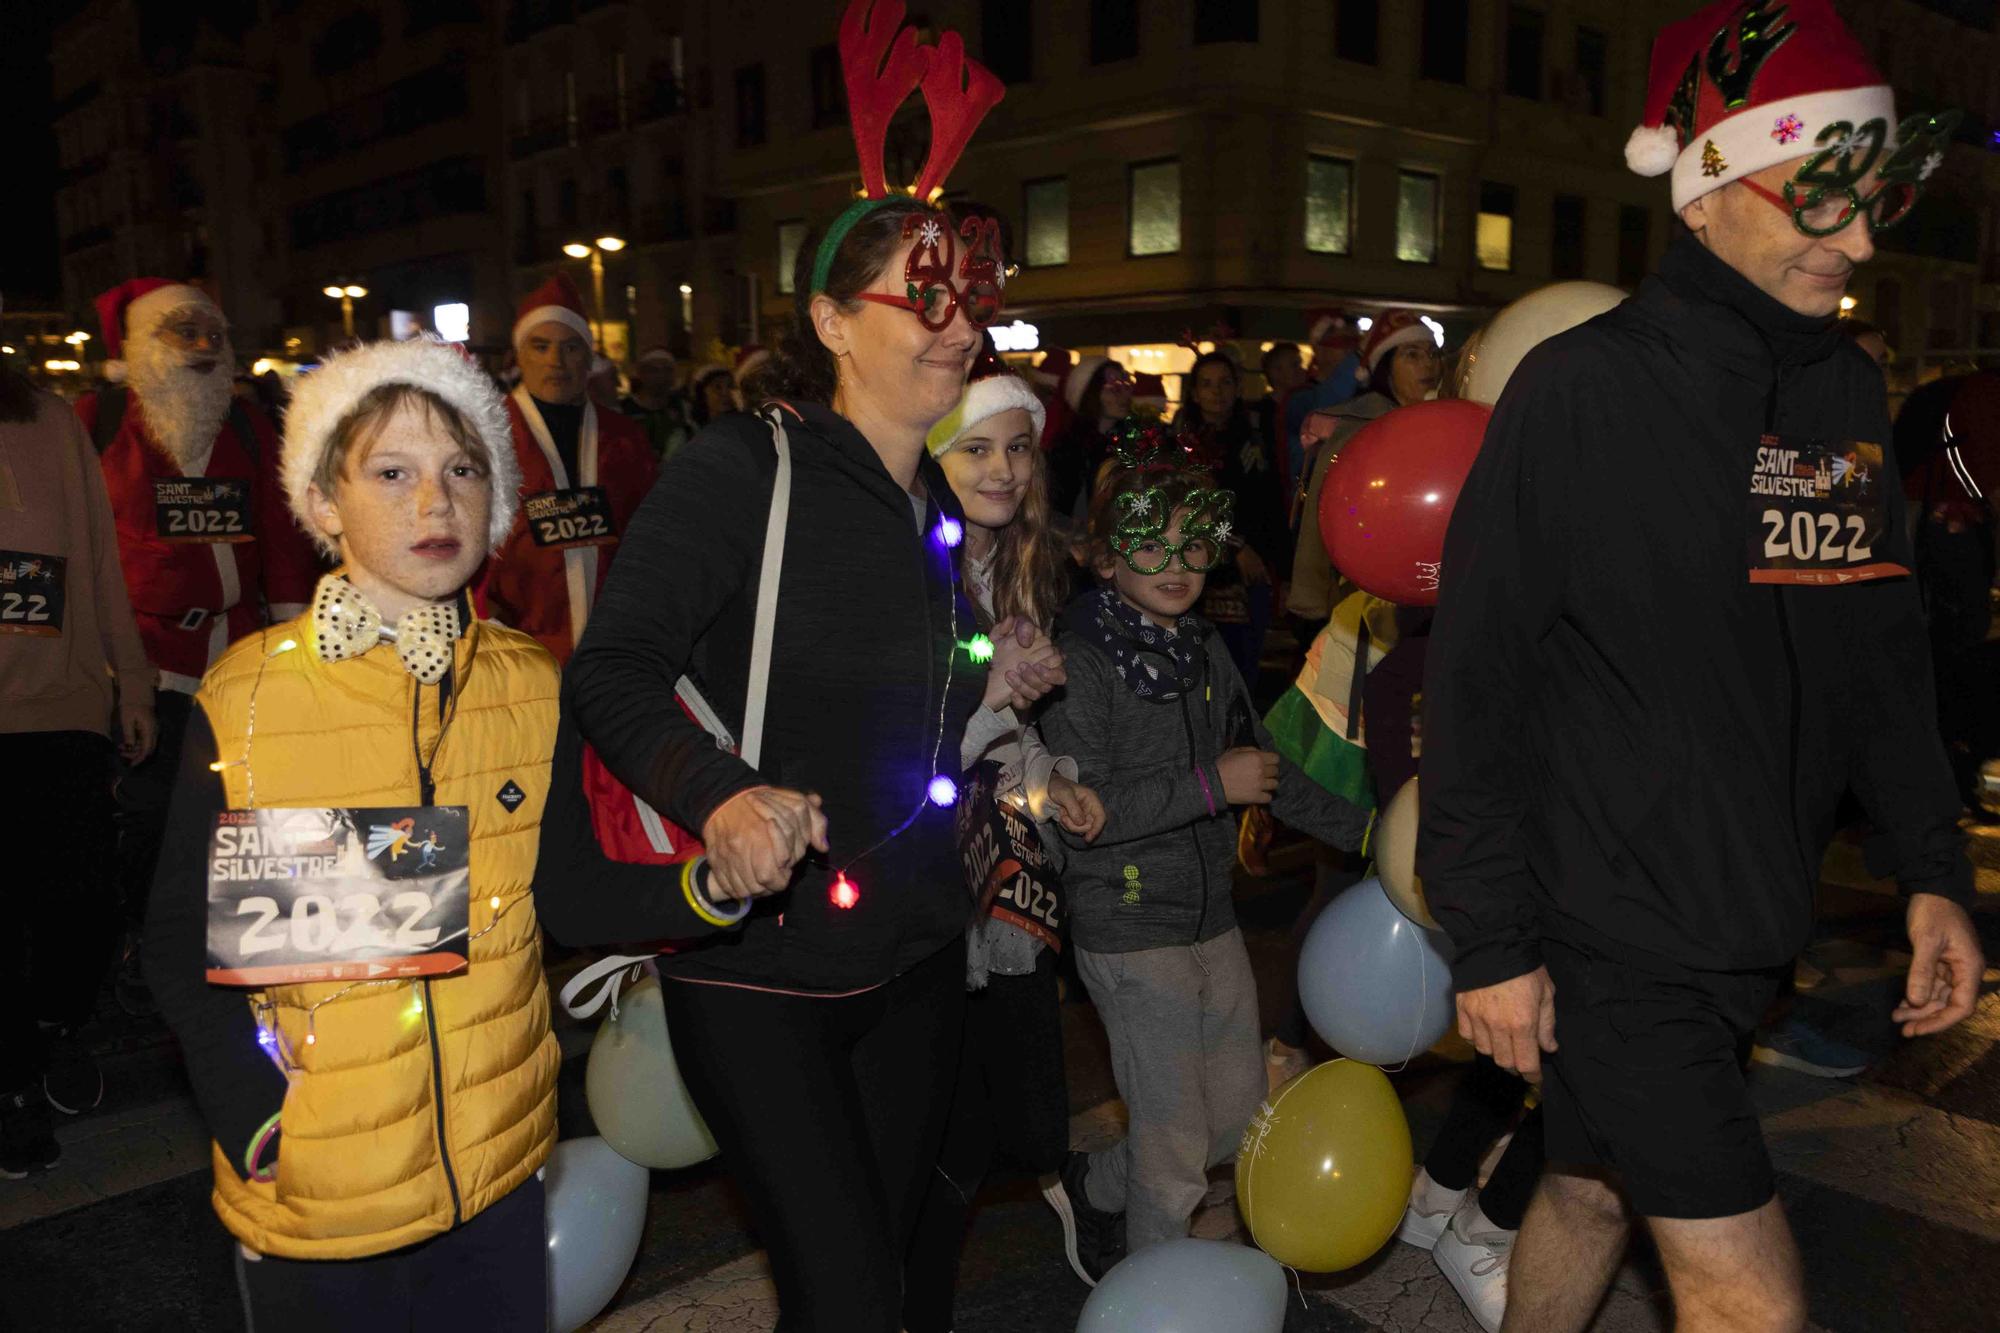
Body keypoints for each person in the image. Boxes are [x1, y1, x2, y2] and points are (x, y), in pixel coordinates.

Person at [1420, 5, 1984, 1330]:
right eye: (1820, 204)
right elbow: (1479, 675)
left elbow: (1875, 657)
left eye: (1872, 203)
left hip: (1755, 913)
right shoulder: (1580, 391)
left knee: (1591, 1189)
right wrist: (1493, 938)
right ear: (1709, 190)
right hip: (1617, 923)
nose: (1856, 244)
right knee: (1748, 1296)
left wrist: (1932, 868)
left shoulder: (1844, 393)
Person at [554, 12, 1036, 1319]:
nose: (955, 325)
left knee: (906, 1262)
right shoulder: (740, 468)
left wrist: (991, 715)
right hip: (760, 963)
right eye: (917, 297)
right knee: (843, 1293)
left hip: (921, 946)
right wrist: (717, 794)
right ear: (829, 315)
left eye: (969, 298)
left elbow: (898, 712)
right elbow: (612, 669)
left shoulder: (936, 496)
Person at [143, 337, 568, 1329]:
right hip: (319, 1193)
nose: (435, 502)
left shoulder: (532, 682)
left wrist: (706, 878)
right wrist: (254, 1117)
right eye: (392, 472)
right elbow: (177, 940)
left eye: (463, 470)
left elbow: (573, 886)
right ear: (325, 505)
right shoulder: (248, 692)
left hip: (494, 1175)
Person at [1040, 449, 1371, 1278]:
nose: (1178, 564)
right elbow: (1085, 814)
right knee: (1175, 1140)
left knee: (1232, 1121)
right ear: (1106, 554)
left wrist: (1370, 833)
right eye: (1152, 544)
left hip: (1209, 915)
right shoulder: (1079, 659)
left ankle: (1097, 1183)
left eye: (1196, 544)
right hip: (1126, 924)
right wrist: (1207, 786)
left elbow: (1262, 768)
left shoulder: (1200, 648)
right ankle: (1152, 1283)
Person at [903, 365, 1105, 1326]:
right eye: (975, 447)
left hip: (996, 877)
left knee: (982, 1110)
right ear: (931, 456)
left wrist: (1051, 778)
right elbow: (910, 736)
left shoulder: (1011, 566)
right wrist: (993, 695)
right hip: (917, 873)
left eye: (1018, 447)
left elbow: (1009, 738)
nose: (1000, 468)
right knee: (929, 1112)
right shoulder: (912, 564)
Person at [78, 279, 319, 1008]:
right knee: (151, 815)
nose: (206, 348)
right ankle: (150, 950)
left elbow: (282, 538)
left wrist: (291, 644)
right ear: (141, 347)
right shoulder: (100, 421)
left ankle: (241, 952)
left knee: (241, 807)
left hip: (238, 653)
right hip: (145, 663)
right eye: (185, 333)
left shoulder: (247, 424)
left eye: (213, 333)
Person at [0, 360, 155, 1173]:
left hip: (62, 710)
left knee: (83, 908)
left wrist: (131, 681)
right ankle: (15, 1083)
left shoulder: (48, 418)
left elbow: (98, 562)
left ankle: (47, 1025)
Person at [476, 273, 658, 663]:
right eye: (540, 347)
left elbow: (650, 540)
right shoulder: (484, 434)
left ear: (589, 358)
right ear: (519, 354)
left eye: (571, 348)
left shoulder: (625, 438)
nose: (556, 362)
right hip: (518, 651)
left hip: (614, 653)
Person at [1287, 310, 1443, 629]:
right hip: (1367, 596)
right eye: (1411, 355)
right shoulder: (1358, 429)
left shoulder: (1445, 422)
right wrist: (1311, 596)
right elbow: (1323, 518)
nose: (1427, 365)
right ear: (1385, 367)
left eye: (1432, 354)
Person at [1175, 351, 1288, 693]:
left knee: (1244, 667)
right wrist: (1234, 545)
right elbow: (1189, 508)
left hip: (1254, 564)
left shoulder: (1255, 434)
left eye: (1225, 382)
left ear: (1238, 387)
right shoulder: (1183, 443)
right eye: (1206, 384)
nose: (1216, 392)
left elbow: (1269, 500)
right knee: (1201, 669)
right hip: (1204, 567)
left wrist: (1281, 566)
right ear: (1194, 392)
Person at [1045, 356, 1134, 522]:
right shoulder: (1067, 448)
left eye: (1127, 388)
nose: (1124, 397)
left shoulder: (1134, 441)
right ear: (1090, 394)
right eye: (1113, 390)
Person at [619, 346, 695, 461]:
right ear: (640, 374)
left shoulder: (683, 407)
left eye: (667, 370)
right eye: (654, 370)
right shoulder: (623, 409)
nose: (661, 376)